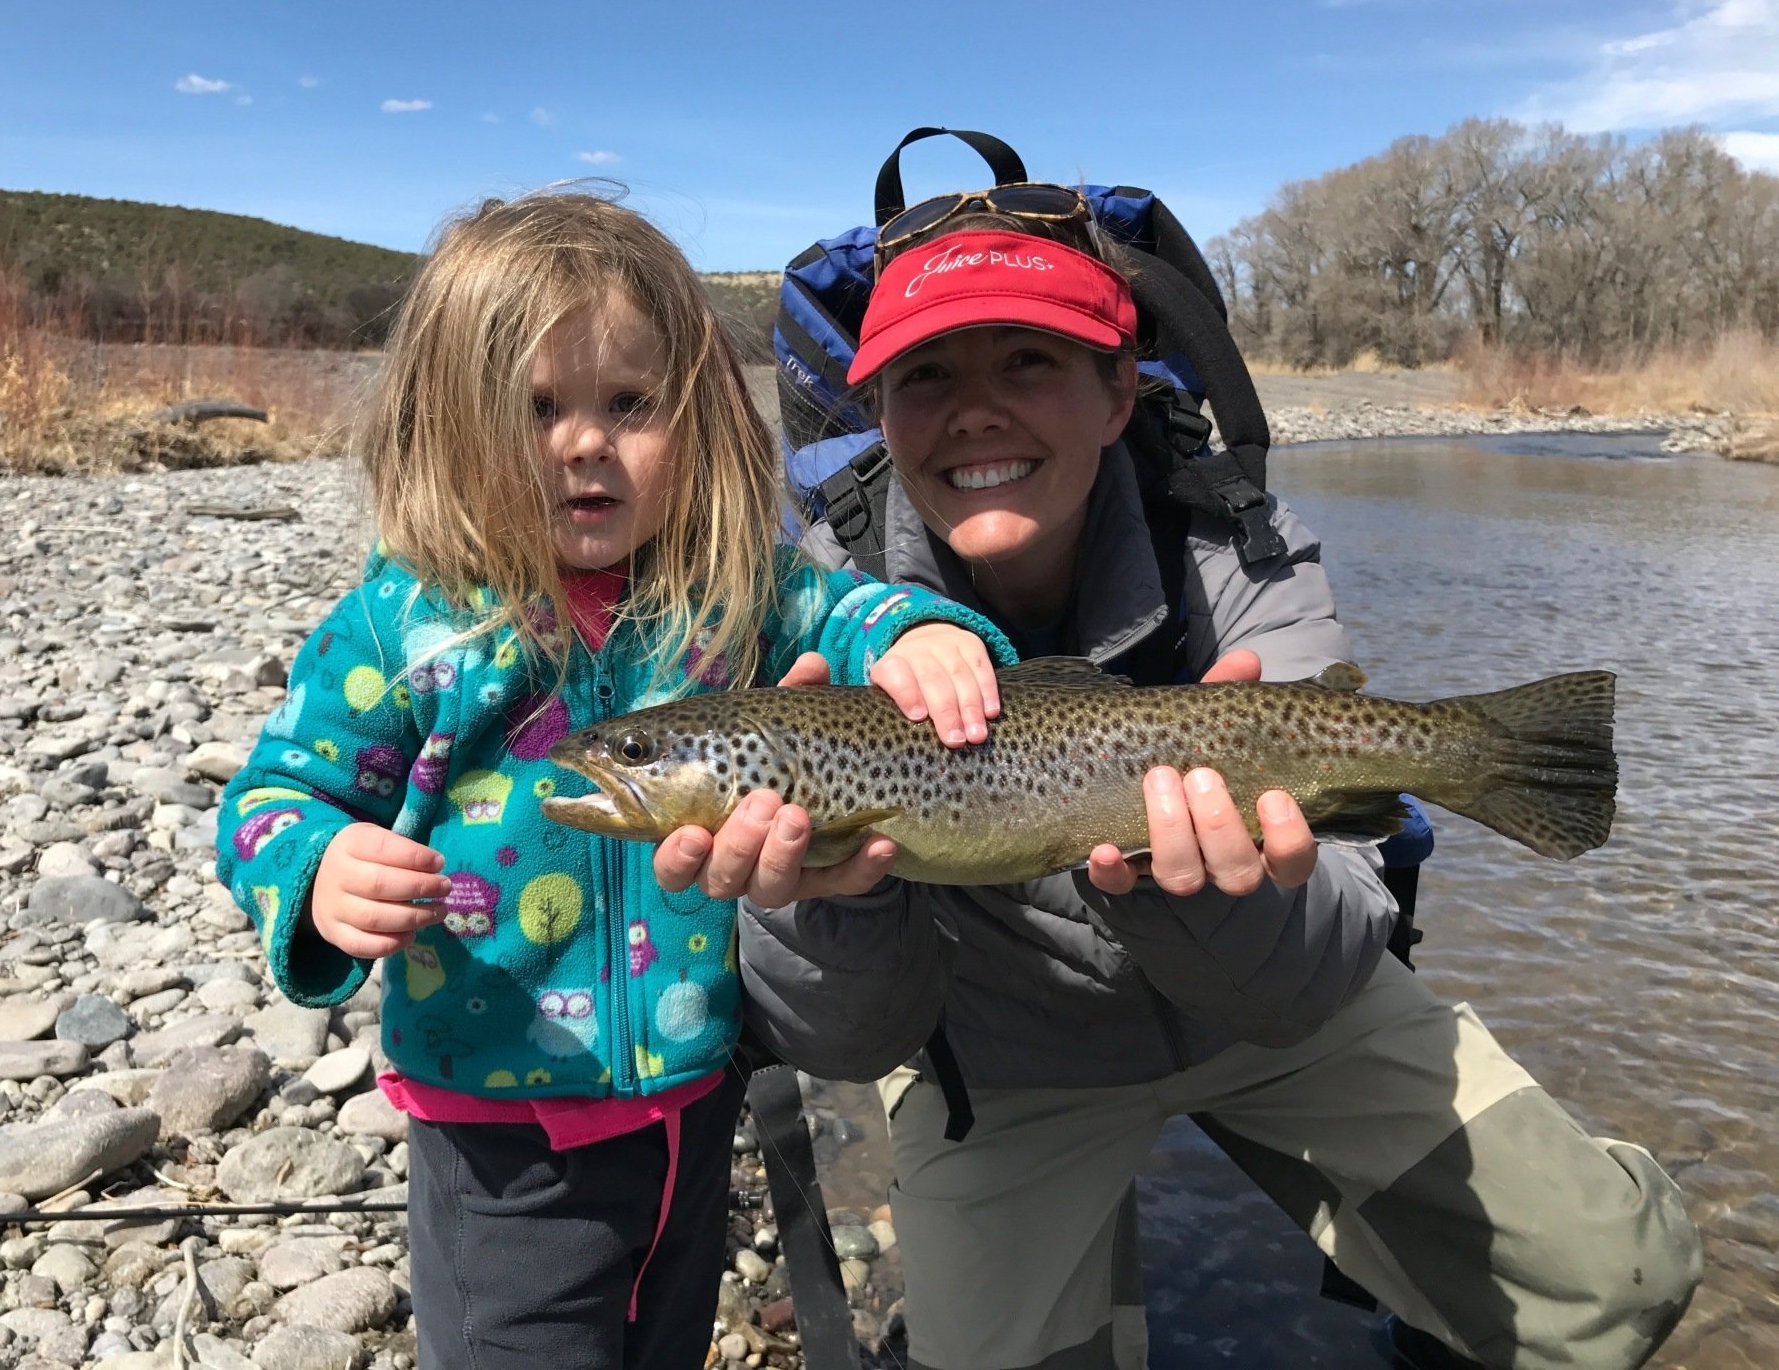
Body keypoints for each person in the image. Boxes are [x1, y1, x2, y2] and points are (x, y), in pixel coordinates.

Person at [652, 191, 1703, 1370]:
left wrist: (1210, 893)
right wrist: (823, 912)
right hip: (1003, 1066)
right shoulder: (820, 624)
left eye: (1030, 361)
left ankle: (1453, 1294)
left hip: (1282, 1001)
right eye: (927, 378)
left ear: (1117, 394)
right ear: (878, 412)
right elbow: (847, 1038)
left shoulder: (1233, 539)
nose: (976, 411)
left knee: (1621, 1277)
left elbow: (1344, 926)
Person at [213, 190, 1017, 1370]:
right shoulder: (400, 626)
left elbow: (853, 609)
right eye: (536, 410)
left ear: (696, 422)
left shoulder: (735, 586)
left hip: (696, 1101)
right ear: (449, 425)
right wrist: (318, 866)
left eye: (629, 406)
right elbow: (271, 797)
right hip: (500, 1140)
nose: (585, 443)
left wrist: (920, 637)